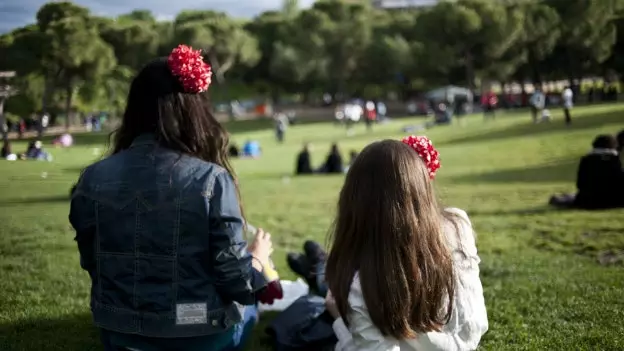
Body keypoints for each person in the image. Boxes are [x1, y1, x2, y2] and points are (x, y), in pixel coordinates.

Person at [68, 45, 280, 351]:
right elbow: (236, 282)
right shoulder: (211, 179)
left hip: (118, 331)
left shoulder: (92, 177)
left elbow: (92, 262)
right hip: (194, 326)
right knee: (248, 308)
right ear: (193, 110)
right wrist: (258, 258)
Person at [324, 136, 488, 350]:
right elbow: (473, 326)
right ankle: (318, 265)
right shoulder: (457, 226)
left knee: (327, 293)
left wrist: (338, 321)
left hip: (367, 279)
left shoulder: (362, 284)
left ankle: (318, 268)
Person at [550, 135, 624, 210]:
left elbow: (580, 184)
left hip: (588, 202)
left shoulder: (586, 160)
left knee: (568, 198)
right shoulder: (615, 160)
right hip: (614, 201)